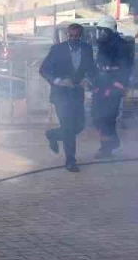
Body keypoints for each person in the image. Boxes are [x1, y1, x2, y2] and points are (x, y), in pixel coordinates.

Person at [39, 23, 98, 172]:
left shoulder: (87, 49)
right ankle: (70, 161)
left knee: (79, 125)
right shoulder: (58, 50)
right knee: (68, 127)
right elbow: (44, 69)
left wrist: (88, 80)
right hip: (61, 95)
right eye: (71, 36)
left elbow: (92, 70)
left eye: (77, 36)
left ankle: (52, 134)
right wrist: (58, 81)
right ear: (67, 35)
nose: (74, 39)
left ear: (81, 36)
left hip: (77, 93)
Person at [91, 16, 135, 158]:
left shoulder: (122, 46)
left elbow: (126, 68)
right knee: (97, 117)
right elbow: (99, 66)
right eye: (100, 31)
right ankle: (113, 141)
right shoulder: (103, 45)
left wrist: (118, 86)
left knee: (107, 118)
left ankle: (106, 148)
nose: (101, 34)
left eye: (104, 31)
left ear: (111, 31)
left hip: (114, 86)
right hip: (101, 85)